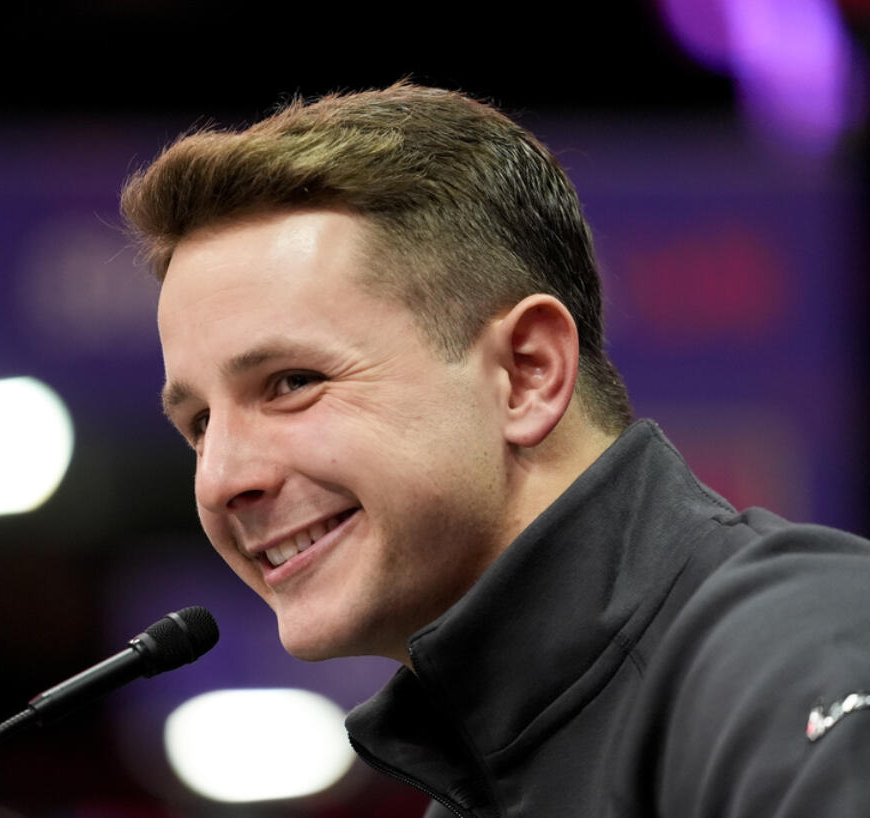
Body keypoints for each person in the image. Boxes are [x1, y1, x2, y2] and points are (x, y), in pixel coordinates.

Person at [119, 82, 870, 817]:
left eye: (291, 383)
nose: (220, 480)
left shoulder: (802, 653)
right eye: (198, 425)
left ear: (526, 375)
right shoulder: (480, 779)